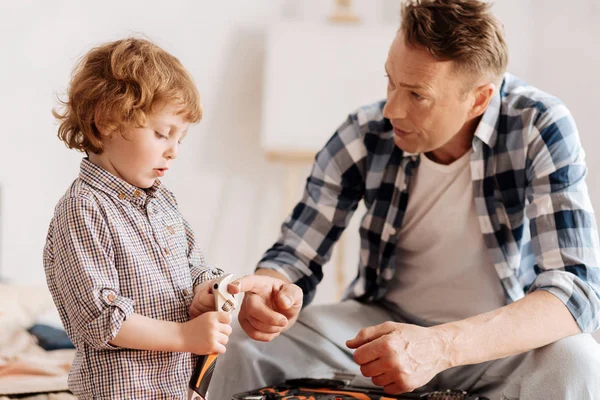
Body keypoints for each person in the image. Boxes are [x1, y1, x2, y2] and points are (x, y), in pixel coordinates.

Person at [211, 0, 600, 398]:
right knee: (243, 341)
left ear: (479, 99)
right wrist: (274, 291)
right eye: (391, 82)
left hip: (492, 339)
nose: (393, 108)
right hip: (381, 326)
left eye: (417, 94)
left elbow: (575, 290)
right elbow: (295, 255)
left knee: (578, 360)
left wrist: (440, 346)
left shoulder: (538, 124)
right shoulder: (366, 130)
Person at [44, 38, 233, 399]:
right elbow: (100, 320)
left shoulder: (163, 203)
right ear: (105, 122)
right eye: (162, 134)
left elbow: (193, 268)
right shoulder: (83, 209)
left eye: (180, 139)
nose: (174, 151)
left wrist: (209, 292)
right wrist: (183, 336)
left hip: (179, 389)